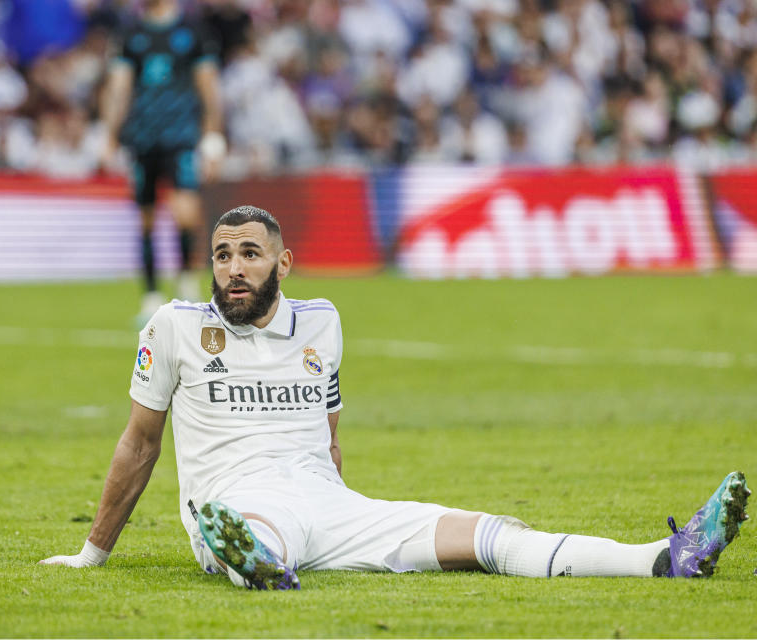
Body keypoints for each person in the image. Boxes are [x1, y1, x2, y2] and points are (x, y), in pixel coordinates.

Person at [40, 205, 751, 589]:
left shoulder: (322, 321)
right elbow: (140, 441)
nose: (232, 268)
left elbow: (330, 430)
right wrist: (92, 554)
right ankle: (246, 555)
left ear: (282, 263)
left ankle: (665, 556)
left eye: (249, 253)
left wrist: (342, 508)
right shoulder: (174, 327)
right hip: (239, 499)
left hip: (331, 505)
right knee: (255, 531)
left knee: (489, 535)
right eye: (221, 255)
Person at [100, 0, 225, 326]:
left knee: (186, 213)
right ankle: (151, 296)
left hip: (181, 137)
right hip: (142, 138)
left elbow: (209, 88)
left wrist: (213, 139)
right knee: (145, 218)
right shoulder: (130, 32)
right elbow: (119, 87)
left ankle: (186, 283)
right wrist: (110, 135)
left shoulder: (193, 30)